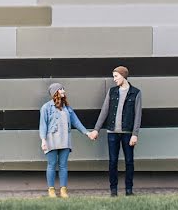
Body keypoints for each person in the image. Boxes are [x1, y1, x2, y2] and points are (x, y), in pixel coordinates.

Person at [89, 66, 142, 197]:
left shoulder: (136, 93)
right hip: (112, 133)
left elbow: (138, 115)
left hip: (127, 133)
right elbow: (104, 111)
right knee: (113, 161)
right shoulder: (112, 92)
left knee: (129, 161)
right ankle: (114, 190)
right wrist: (96, 129)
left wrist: (135, 134)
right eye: (113, 76)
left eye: (116, 76)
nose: (114, 79)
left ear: (123, 76)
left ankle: (129, 190)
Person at [39, 82, 96, 198]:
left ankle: (63, 190)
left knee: (63, 165)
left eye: (63, 89)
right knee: (51, 164)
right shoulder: (46, 107)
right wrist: (43, 140)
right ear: (55, 92)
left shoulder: (67, 108)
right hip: (51, 140)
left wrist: (87, 133)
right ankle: (51, 190)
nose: (63, 91)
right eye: (61, 89)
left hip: (65, 140)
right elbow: (43, 125)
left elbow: (76, 122)